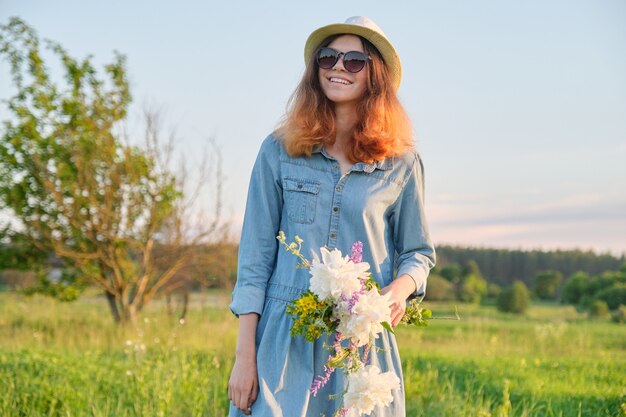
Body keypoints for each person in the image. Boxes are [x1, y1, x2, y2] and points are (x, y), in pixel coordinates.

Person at [227, 16, 436, 417]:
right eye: (329, 58)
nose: (339, 67)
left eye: (354, 61)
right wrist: (244, 356)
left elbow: (418, 252)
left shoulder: (402, 163)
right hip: (282, 342)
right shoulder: (278, 151)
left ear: (374, 75)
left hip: (361, 343)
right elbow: (254, 261)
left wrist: (398, 290)